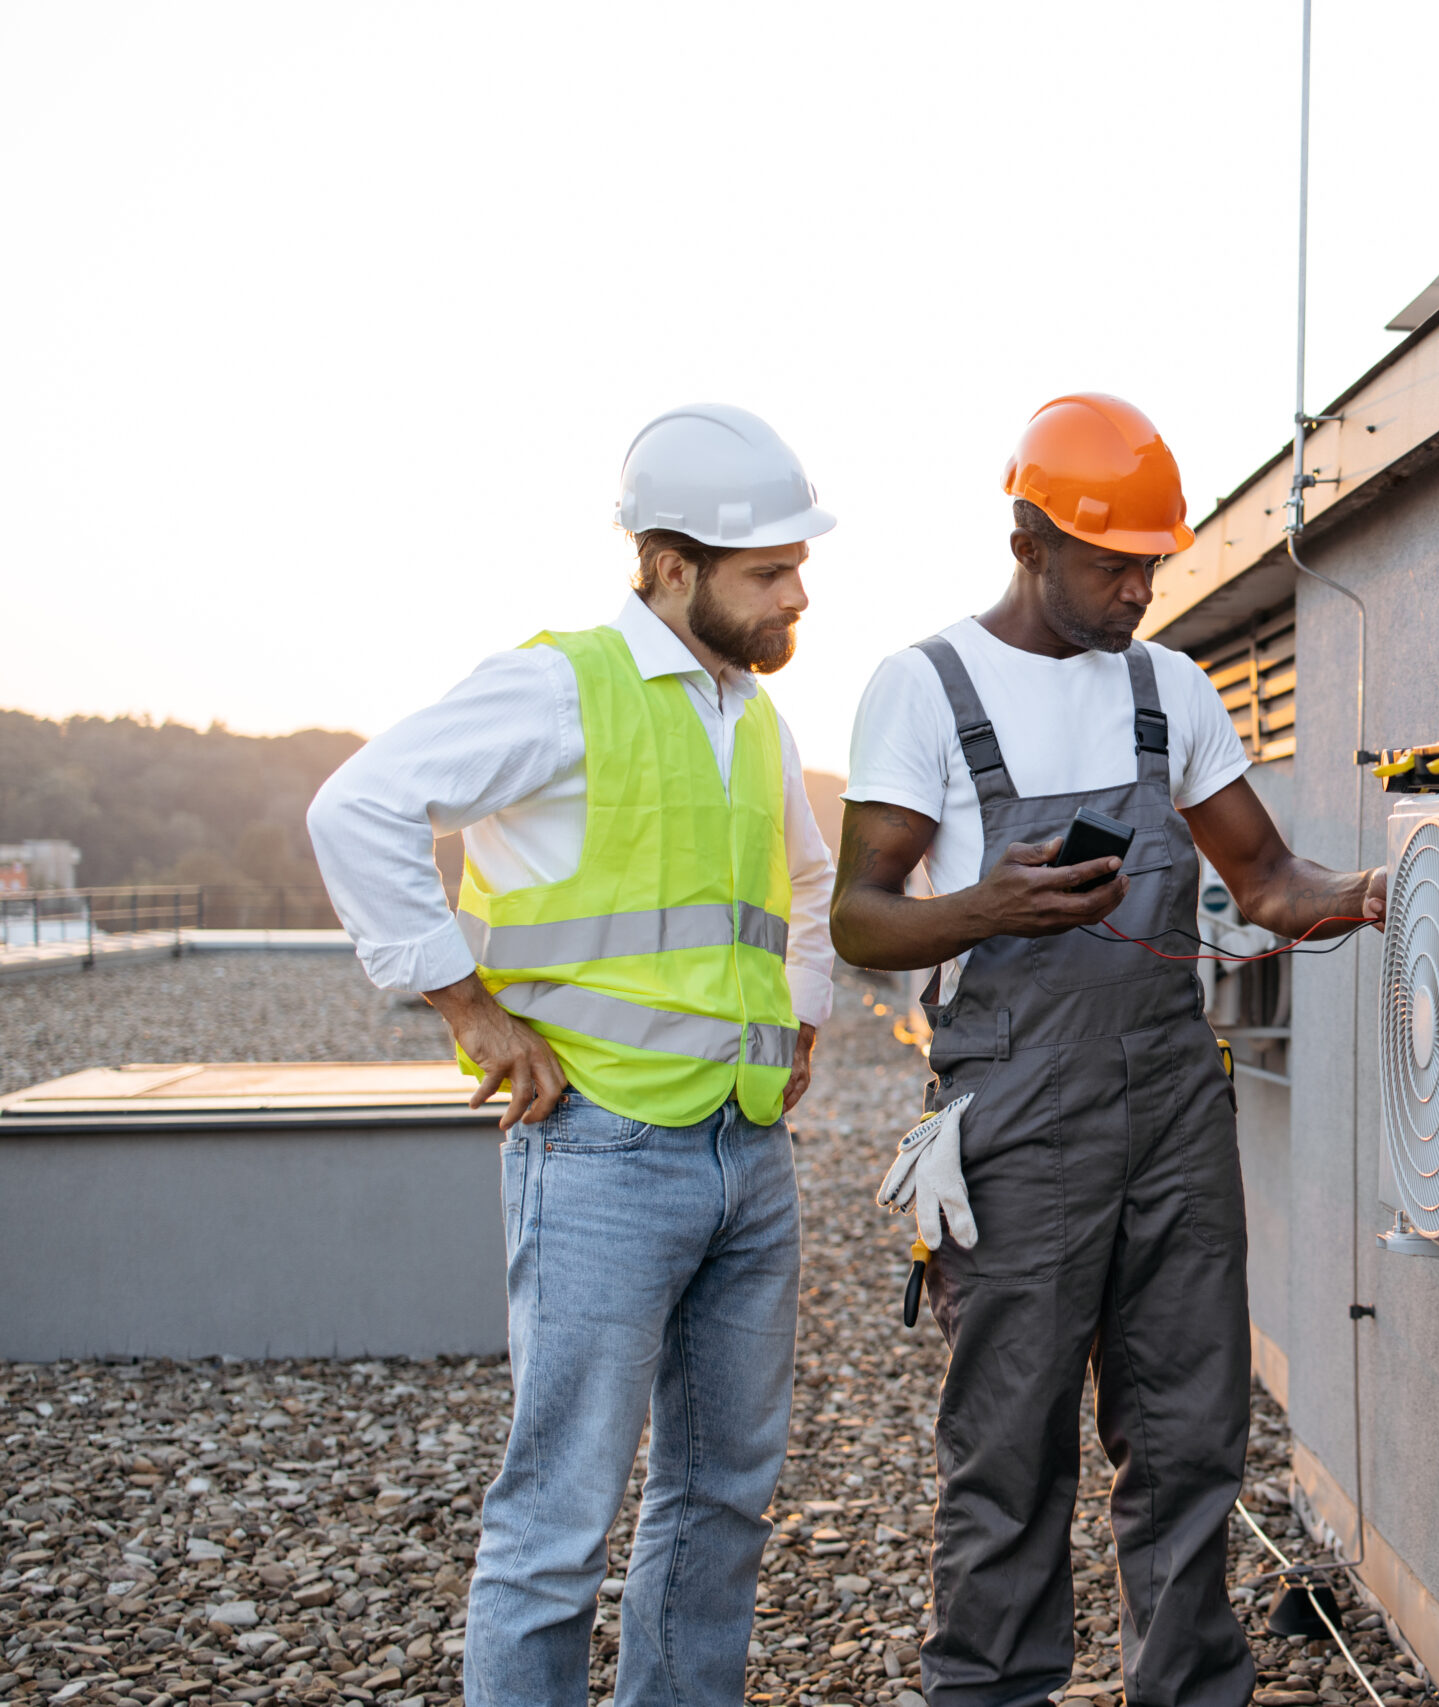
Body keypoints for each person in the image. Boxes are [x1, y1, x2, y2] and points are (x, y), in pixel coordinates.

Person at [833, 393, 1383, 1707]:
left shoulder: (1169, 688)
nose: (1139, 588)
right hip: (1016, 1119)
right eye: (1112, 563)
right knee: (1010, 1455)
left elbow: (1265, 882)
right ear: (1030, 539)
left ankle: (1190, 1689)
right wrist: (990, 906)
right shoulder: (925, 689)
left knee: (1192, 1437)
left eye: (1153, 564)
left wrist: (1391, 888)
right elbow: (859, 917)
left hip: (1176, 1115)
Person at [307, 403, 840, 1707]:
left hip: (745, 1156)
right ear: (670, 566)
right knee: (554, 1528)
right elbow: (357, 806)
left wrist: (805, 1014)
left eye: (798, 567)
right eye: (770, 572)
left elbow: (808, 882)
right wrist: (468, 1010)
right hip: (600, 1154)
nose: (798, 596)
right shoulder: (562, 687)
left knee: (721, 1504)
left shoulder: (752, 716)